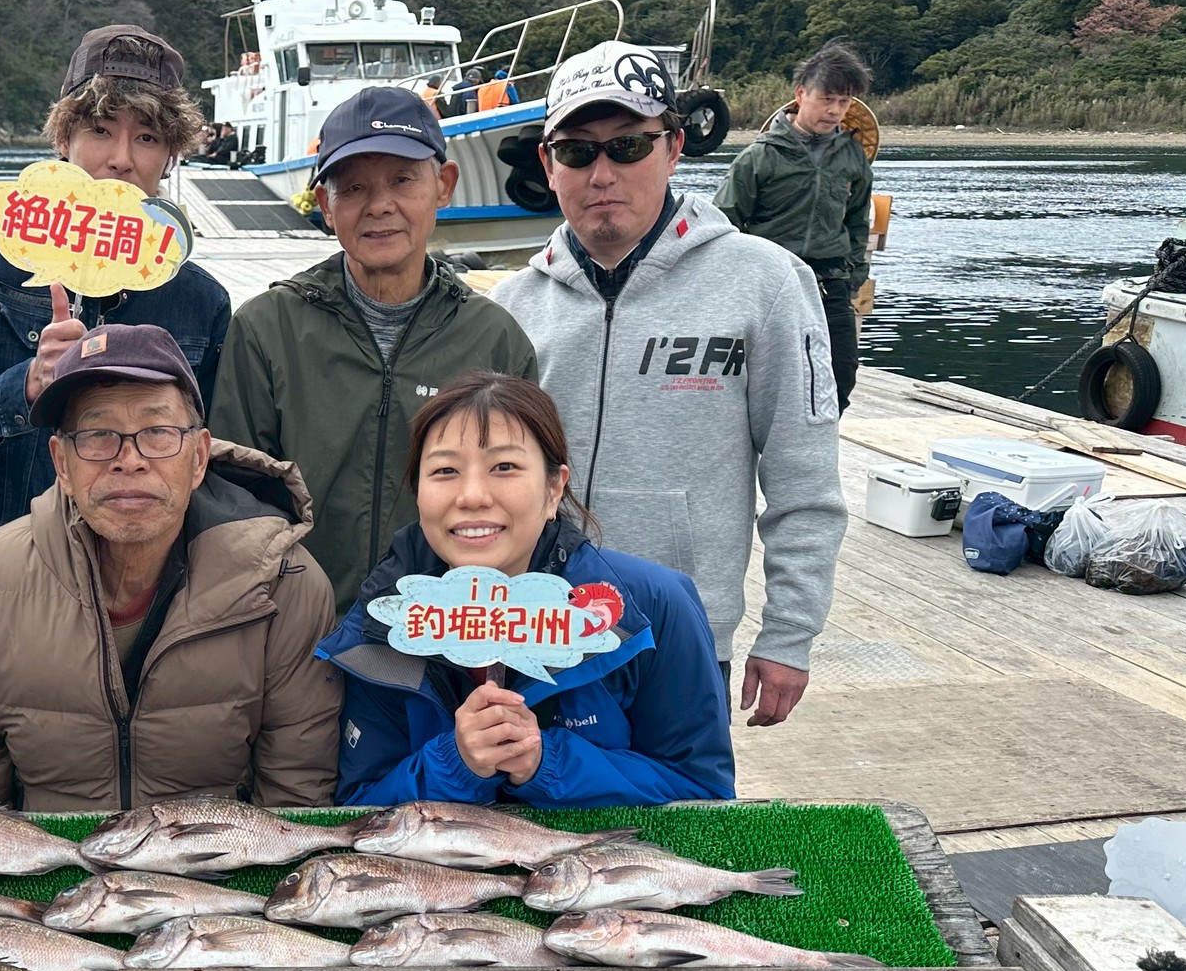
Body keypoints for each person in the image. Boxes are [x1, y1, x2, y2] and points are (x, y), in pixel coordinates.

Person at [489, 40, 845, 729]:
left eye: (628, 146)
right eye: (577, 151)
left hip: (684, 641)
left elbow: (806, 482)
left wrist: (789, 634)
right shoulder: (509, 306)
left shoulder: (766, 284)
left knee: (677, 834)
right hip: (535, 642)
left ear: (674, 146)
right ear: (547, 162)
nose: (601, 172)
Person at [0, 324, 340, 812]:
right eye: (97, 435)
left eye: (157, 432)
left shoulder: (285, 585)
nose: (129, 460)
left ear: (199, 457)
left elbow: (294, 795)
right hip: (45, 875)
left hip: (215, 871)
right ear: (62, 464)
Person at [323, 372, 732, 807]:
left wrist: (545, 762)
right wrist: (454, 763)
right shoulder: (384, 620)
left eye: (505, 467)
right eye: (445, 470)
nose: (473, 495)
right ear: (419, 493)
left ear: (554, 487)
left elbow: (703, 794)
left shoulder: (650, 606)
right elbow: (360, 808)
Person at [210, 84, 536, 613]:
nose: (380, 205)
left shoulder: (497, 338)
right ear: (326, 205)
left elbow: (516, 500)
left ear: (444, 185)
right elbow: (232, 496)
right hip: (296, 630)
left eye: (403, 180)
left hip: (443, 633)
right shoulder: (266, 329)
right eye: (354, 187)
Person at [0, 24, 232, 561]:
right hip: (4, 571)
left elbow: (211, 460)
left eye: (148, 137)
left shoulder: (201, 300)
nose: (122, 159)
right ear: (64, 139)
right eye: (102, 130)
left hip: (142, 582)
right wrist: (28, 384)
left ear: (170, 156)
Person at [715, 42, 874, 413]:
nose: (835, 110)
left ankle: (818, 442)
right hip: (770, 279)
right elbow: (723, 221)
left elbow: (857, 221)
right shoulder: (760, 156)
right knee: (764, 374)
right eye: (827, 98)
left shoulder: (853, 157)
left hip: (829, 279)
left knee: (842, 369)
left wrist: (855, 274)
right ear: (800, 94)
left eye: (844, 102)